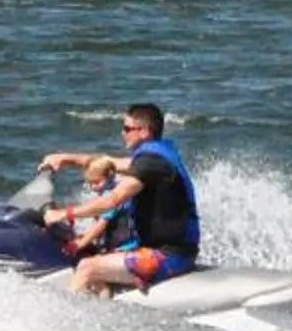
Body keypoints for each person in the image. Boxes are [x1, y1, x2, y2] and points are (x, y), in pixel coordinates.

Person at [37, 102, 200, 294]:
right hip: (163, 250)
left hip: (170, 256)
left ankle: (66, 323)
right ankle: (101, 310)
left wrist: (64, 213)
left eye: (127, 128)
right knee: (96, 266)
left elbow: (112, 200)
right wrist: (64, 158)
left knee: (86, 268)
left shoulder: (151, 163)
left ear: (144, 131)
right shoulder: (156, 155)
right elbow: (107, 163)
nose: (122, 133)